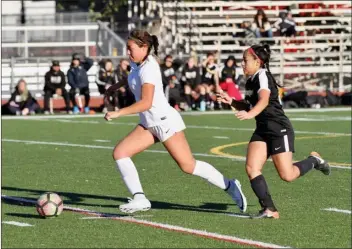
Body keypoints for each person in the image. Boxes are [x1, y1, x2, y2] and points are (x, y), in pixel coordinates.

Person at [104, 29, 247, 214]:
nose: (128, 52)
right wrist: (115, 87)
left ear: (144, 47)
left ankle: (230, 185)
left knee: (188, 166)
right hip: (149, 123)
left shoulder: (149, 68)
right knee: (121, 153)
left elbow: (146, 102)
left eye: (130, 48)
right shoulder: (138, 63)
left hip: (164, 122)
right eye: (127, 48)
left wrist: (118, 113)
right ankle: (140, 198)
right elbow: (132, 76)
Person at [217, 44, 331, 219]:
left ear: (257, 61)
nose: (242, 64)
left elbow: (262, 101)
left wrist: (250, 114)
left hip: (279, 129)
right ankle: (269, 209)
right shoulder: (251, 79)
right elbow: (250, 104)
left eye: (245, 60)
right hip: (263, 129)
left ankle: (314, 160)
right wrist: (231, 101)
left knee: (287, 175)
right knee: (252, 168)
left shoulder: (262, 75)